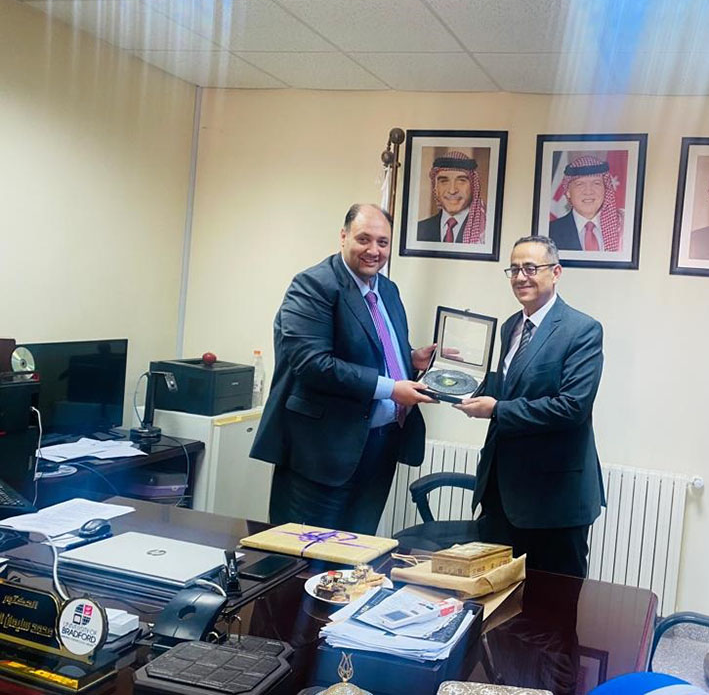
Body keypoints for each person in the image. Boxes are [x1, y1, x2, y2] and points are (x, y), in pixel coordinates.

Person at [250, 204, 436, 534]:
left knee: (358, 552)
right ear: (343, 236)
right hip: (322, 453)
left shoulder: (387, 289)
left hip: (379, 449)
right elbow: (313, 364)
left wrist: (411, 358)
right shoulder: (313, 285)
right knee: (306, 554)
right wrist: (392, 389)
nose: (374, 250)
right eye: (364, 239)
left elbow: (369, 348)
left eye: (383, 242)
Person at [455, 235, 605, 578]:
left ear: (556, 272)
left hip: (554, 500)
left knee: (553, 603)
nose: (521, 277)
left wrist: (496, 410)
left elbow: (572, 407)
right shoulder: (511, 326)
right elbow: (509, 389)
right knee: (498, 596)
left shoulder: (582, 330)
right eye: (514, 269)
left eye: (531, 268)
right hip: (501, 493)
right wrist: (455, 379)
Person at [548, 155, 624, 252]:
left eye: (596, 183)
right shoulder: (550, 232)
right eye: (580, 184)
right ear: (568, 192)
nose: (588, 191)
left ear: (606, 189)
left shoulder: (622, 229)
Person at [416, 151, 487, 244]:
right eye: (444, 181)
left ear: (473, 186)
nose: (452, 190)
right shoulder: (419, 230)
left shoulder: (485, 230)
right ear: (435, 188)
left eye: (461, 181)